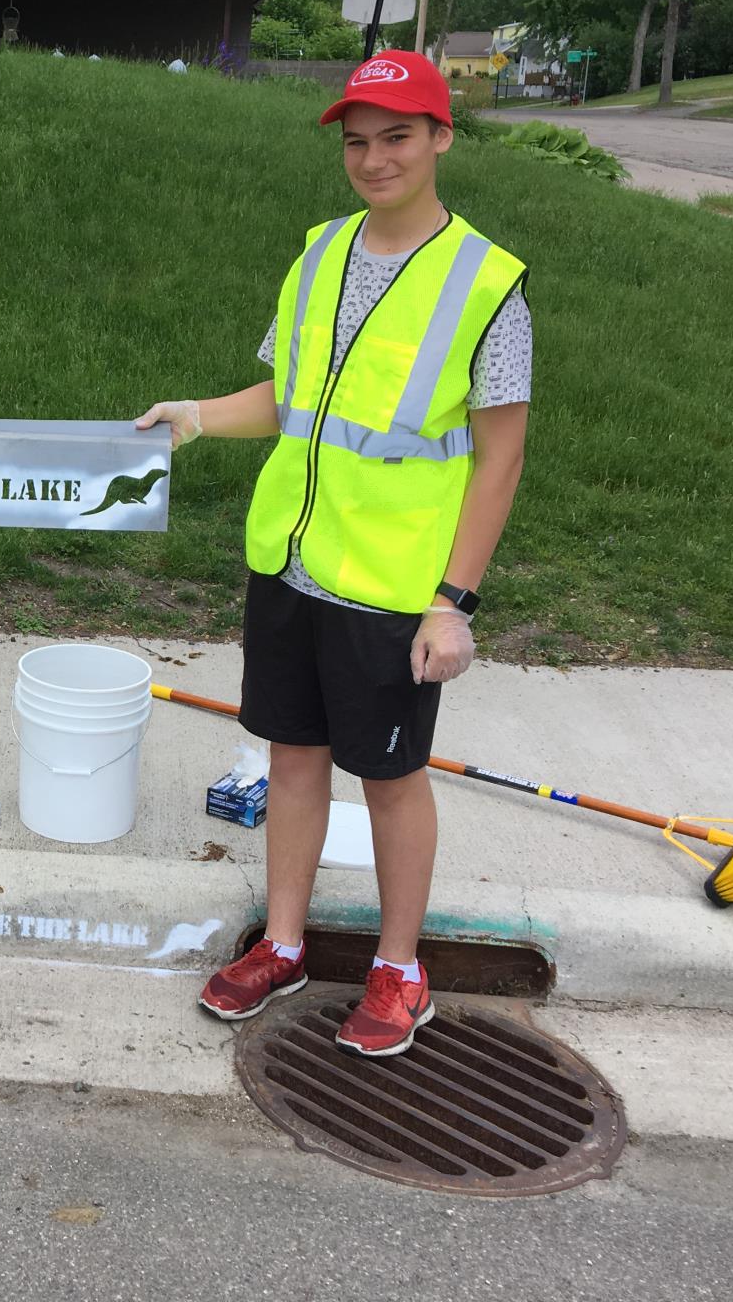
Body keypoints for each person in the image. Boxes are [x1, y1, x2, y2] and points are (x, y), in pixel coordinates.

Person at [138, 52, 531, 1057]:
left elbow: (500, 456)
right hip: (291, 564)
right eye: (357, 141)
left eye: (397, 136)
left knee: (392, 779)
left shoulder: (488, 287)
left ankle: (402, 970)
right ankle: (283, 941)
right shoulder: (319, 255)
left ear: (441, 137)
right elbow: (284, 399)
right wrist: (192, 416)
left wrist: (456, 600)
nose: (373, 158)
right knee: (292, 758)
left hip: (396, 587)